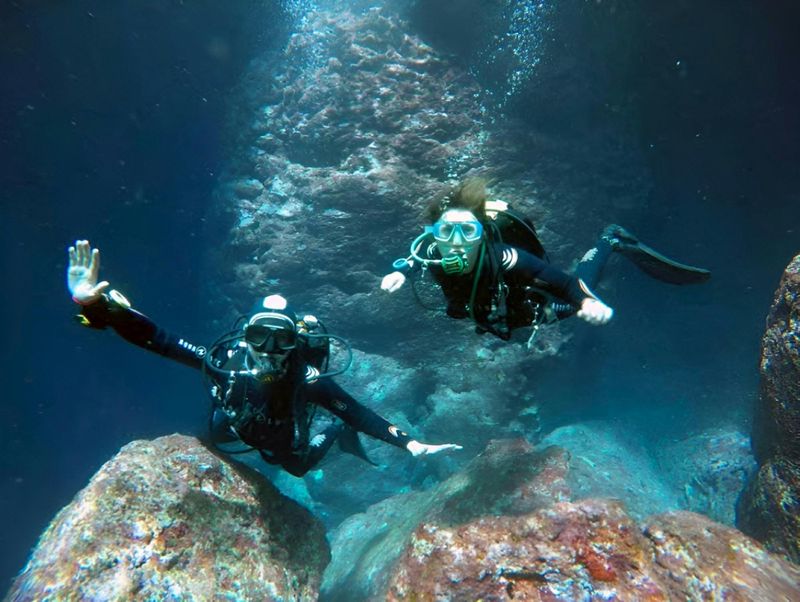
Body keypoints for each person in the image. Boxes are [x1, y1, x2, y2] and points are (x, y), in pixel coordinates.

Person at [67, 240, 461, 477]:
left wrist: (411, 445)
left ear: (295, 342)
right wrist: (96, 306)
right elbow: (161, 340)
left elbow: (357, 413)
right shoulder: (227, 363)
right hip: (238, 424)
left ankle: (333, 434)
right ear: (245, 336)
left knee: (294, 467)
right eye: (260, 336)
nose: (270, 348)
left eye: (281, 338)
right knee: (215, 435)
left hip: (283, 437)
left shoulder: (307, 379)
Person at [381, 178, 710, 342]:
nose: (455, 242)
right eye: (446, 231)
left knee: (578, 293)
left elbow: (566, 285)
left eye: (467, 231)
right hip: (494, 318)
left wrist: (587, 303)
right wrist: (401, 273)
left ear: (481, 233)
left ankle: (609, 241)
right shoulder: (429, 251)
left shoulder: (505, 257)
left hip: (533, 311)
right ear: (434, 234)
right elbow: (414, 260)